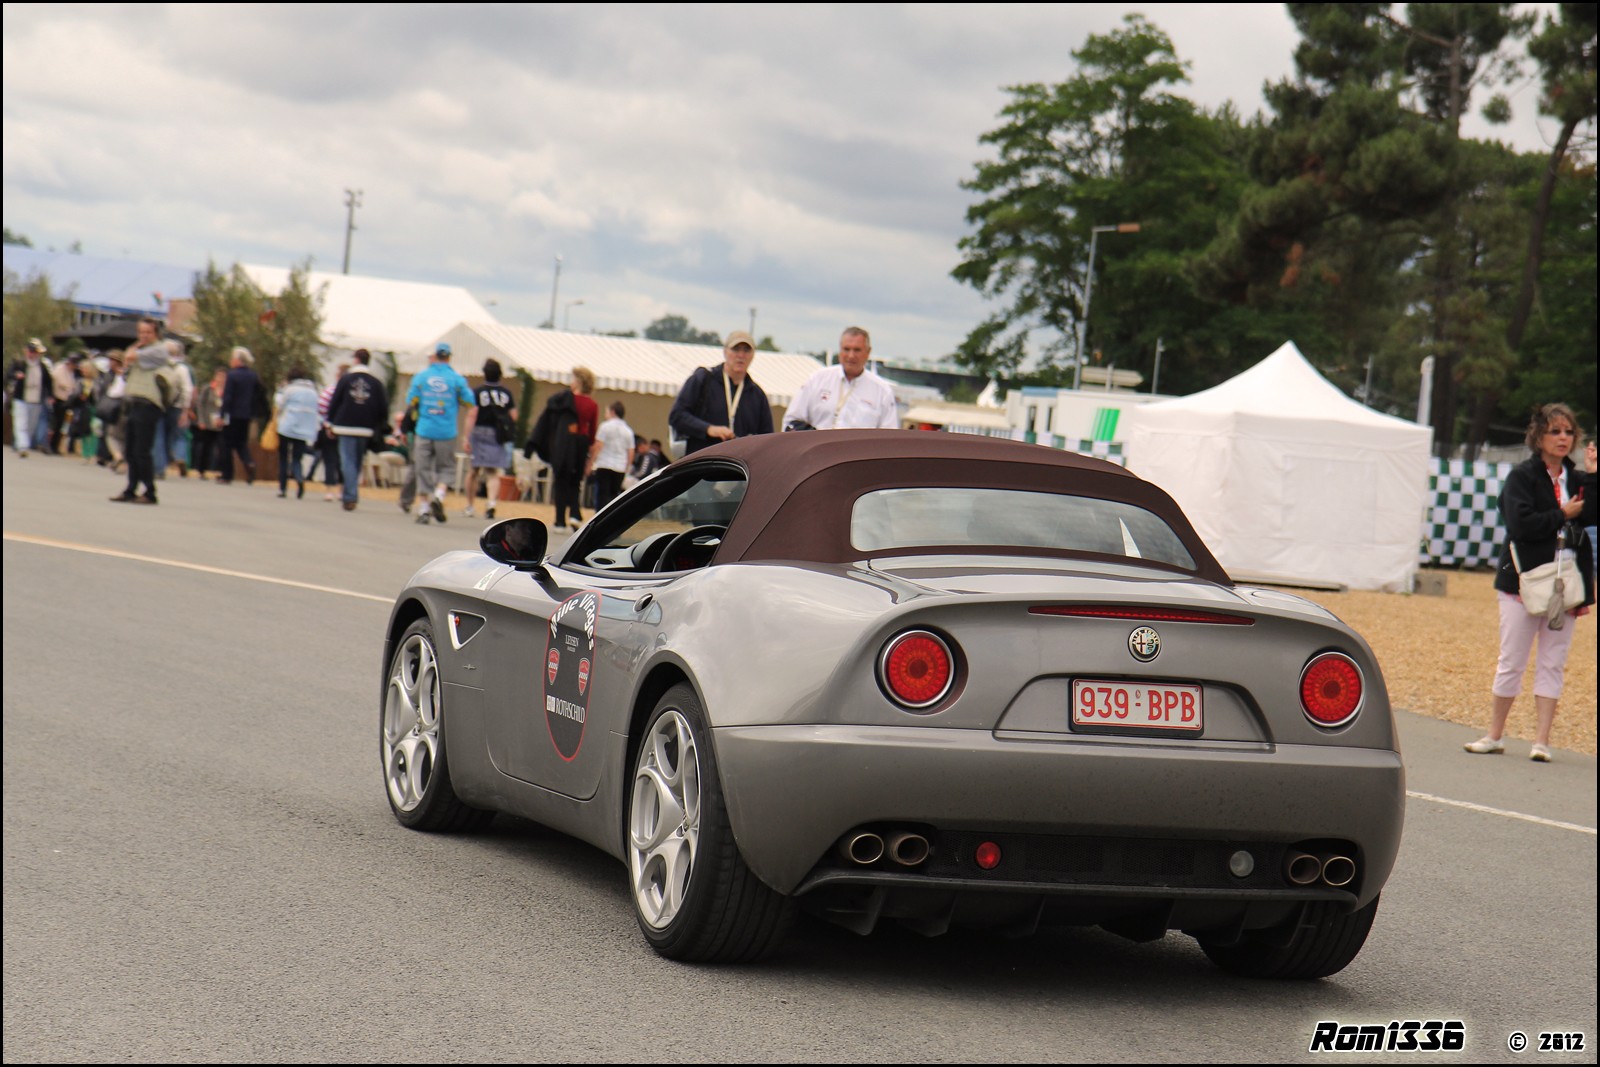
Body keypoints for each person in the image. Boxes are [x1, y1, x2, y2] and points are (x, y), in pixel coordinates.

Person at [1465, 404, 1596, 763]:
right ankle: (1494, 734)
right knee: (1512, 658)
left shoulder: (1578, 478)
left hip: (1565, 582)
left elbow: (1594, 516)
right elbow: (1519, 524)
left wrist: (1595, 475)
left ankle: (1541, 741)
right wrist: (1562, 515)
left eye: (1568, 432)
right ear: (1538, 436)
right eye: (1555, 431)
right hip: (1523, 581)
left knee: (1554, 661)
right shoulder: (1522, 476)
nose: (1563, 438)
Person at [400, 342, 475, 525]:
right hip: (447, 431)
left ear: (434, 356)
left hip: (424, 429)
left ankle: (424, 509)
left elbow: (411, 401)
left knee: (422, 468)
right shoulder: (457, 380)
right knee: (447, 467)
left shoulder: (421, 377)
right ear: (449, 357)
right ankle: (439, 495)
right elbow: (471, 404)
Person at [668, 331, 773, 454]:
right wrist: (708, 429)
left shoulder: (757, 395)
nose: (741, 355)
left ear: (753, 354)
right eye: (736, 349)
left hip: (738, 468)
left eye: (746, 350)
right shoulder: (703, 379)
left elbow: (767, 439)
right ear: (725, 351)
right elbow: (676, 416)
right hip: (701, 463)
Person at [782, 327, 899, 431]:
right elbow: (791, 421)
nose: (851, 355)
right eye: (846, 349)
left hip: (860, 454)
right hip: (818, 451)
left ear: (868, 352)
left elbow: (890, 435)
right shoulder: (818, 379)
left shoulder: (882, 391)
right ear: (840, 351)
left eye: (857, 350)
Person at [525, 366, 598, 531]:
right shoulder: (592, 405)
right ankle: (574, 514)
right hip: (582, 443)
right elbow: (592, 431)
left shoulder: (564, 400)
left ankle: (559, 520)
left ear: (578, 381)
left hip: (565, 443)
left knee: (561, 481)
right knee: (575, 481)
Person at [110, 331, 174, 504]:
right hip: (134, 402)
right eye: (140, 332)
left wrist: (134, 348)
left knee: (142, 451)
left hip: (148, 404)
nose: (143, 335)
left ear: (155, 333)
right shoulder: (142, 352)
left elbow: (129, 356)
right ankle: (131, 488)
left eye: (147, 332)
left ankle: (150, 491)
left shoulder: (158, 351)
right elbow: (126, 365)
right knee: (130, 449)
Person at [325, 348, 390, 512]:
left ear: (356, 360)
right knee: (357, 461)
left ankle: (350, 495)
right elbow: (383, 407)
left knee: (347, 461)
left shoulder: (346, 379)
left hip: (345, 425)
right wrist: (378, 425)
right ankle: (351, 494)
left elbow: (335, 401)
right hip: (365, 427)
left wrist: (329, 423)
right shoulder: (376, 383)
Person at [462, 358, 517, 520]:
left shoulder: (478, 392)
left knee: (473, 470)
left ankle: (470, 506)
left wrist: (466, 437)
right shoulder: (506, 393)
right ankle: (491, 503)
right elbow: (514, 415)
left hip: (479, 431)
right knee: (493, 471)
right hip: (497, 434)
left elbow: (472, 414)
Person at [273, 363, 321, 499]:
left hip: (287, 427)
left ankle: (282, 488)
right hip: (304, 429)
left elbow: (280, 405)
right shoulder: (313, 392)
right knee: (297, 458)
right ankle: (299, 478)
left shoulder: (289, 389)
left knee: (283, 458)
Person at [218, 345, 261, 485]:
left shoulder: (232, 375)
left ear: (238, 360)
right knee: (241, 443)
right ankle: (249, 463)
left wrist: (222, 414)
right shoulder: (253, 376)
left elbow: (228, 397)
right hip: (246, 415)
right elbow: (257, 396)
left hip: (232, 414)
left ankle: (227, 474)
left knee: (226, 444)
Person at [152, 340, 195, 477]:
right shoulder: (181, 369)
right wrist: (185, 409)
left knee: (159, 436)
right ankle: (180, 457)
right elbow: (187, 389)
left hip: (159, 406)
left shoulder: (157, 366)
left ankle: (159, 468)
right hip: (176, 406)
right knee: (179, 435)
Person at [8, 338, 52, 458]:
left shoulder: (42, 366)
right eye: (32, 352)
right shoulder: (19, 363)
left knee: (31, 425)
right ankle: (23, 446)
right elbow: (8, 374)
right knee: (20, 422)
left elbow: (48, 382)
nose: (33, 354)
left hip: (36, 399)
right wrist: (16, 375)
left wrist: (49, 395)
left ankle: (23, 443)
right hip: (21, 398)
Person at [312, 362, 349, 501]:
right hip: (345, 430)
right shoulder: (349, 394)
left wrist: (327, 425)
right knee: (343, 460)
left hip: (328, 428)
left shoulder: (330, 391)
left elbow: (320, 409)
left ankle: (329, 490)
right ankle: (341, 489)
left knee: (329, 459)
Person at [590, 400, 635, 511]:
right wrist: (627, 467)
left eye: (607, 411)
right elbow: (630, 451)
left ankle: (599, 517)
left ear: (613, 412)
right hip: (620, 466)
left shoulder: (605, 426)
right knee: (614, 495)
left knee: (602, 495)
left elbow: (598, 445)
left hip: (604, 464)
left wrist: (591, 462)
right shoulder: (628, 431)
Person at [191, 367, 226, 479]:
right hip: (207, 422)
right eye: (219, 376)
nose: (221, 379)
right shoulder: (208, 389)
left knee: (221, 447)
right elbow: (200, 404)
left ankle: (218, 470)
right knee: (206, 446)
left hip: (220, 423)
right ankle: (202, 469)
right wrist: (201, 420)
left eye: (223, 376)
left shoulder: (228, 390)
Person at [48, 352, 82, 454]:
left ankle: (56, 445)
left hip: (68, 400)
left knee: (63, 425)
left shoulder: (74, 373)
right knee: (56, 423)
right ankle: (52, 445)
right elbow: (59, 383)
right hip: (59, 399)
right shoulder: (60, 369)